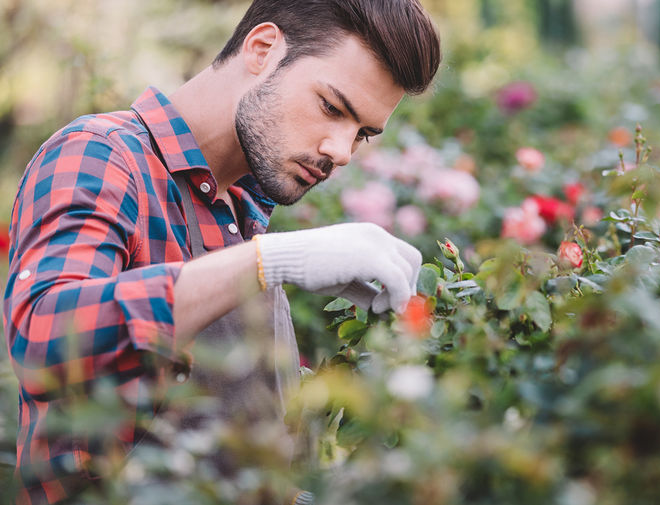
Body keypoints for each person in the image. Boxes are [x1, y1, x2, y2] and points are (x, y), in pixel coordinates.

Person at [2, 0, 441, 503]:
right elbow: (43, 336)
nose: (342, 151)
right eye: (332, 108)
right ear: (262, 48)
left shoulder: (242, 211)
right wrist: (268, 261)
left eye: (362, 133)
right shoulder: (102, 155)